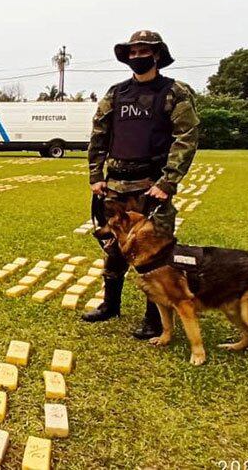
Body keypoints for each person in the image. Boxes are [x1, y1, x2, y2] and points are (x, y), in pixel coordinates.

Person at [83, 30, 200, 339]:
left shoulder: (175, 92)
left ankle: (154, 319)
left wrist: (168, 181)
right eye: (132, 53)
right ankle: (110, 305)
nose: (137, 57)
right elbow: (99, 137)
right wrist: (96, 176)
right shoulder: (116, 93)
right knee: (113, 249)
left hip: (152, 188)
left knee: (156, 255)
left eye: (143, 51)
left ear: (157, 54)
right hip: (115, 187)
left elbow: (186, 138)